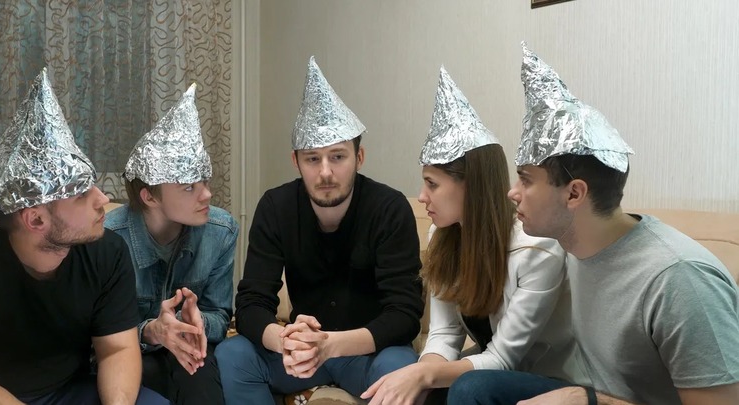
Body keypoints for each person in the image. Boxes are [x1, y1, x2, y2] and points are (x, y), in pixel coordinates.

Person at [448, 43, 739, 405]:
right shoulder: (571, 247)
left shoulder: (678, 280)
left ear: (574, 194)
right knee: (472, 387)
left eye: (526, 179)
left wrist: (587, 401)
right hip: (591, 395)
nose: (512, 193)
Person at [0, 69, 167, 405]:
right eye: (82, 194)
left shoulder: (107, 251)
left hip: (69, 392)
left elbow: (117, 349)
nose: (103, 199)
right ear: (36, 219)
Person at [361, 67, 587, 405]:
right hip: (486, 369)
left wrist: (422, 375)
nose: (422, 197)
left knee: (462, 387)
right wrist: (419, 379)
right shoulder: (442, 234)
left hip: (547, 381)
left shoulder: (536, 250)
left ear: (472, 186)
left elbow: (503, 359)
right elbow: (444, 333)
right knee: (413, 389)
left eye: (432, 184)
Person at [216, 56, 425, 404]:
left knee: (400, 367)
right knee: (233, 354)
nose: (325, 172)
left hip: (367, 352)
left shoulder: (388, 208)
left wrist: (330, 345)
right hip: (300, 353)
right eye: (313, 159)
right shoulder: (276, 207)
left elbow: (404, 314)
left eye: (338, 157)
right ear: (296, 162)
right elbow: (252, 302)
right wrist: (285, 340)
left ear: (359, 158)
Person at [105, 83, 238, 404]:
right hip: (126, 355)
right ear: (149, 196)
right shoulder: (109, 239)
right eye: (189, 187)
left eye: (205, 181)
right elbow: (97, 335)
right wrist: (152, 330)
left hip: (191, 351)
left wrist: (194, 322)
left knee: (199, 372)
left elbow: (220, 316)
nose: (207, 194)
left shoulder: (220, 230)